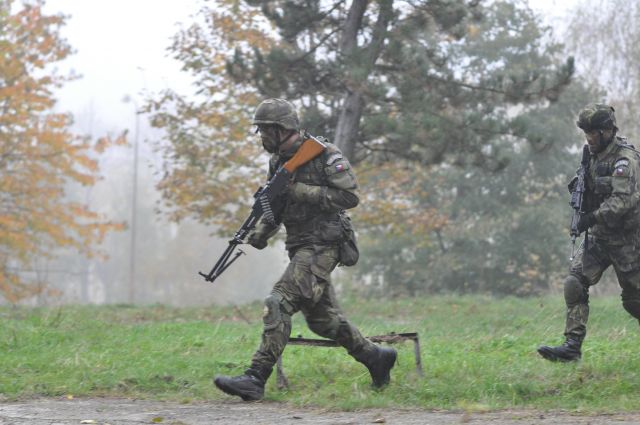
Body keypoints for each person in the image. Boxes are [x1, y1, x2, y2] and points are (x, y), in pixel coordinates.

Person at [214, 98, 397, 400]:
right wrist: (260, 233)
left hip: (325, 243)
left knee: (278, 301)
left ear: (282, 129)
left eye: (265, 130)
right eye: (260, 130)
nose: (262, 136)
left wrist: (299, 190)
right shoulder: (278, 162)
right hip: (300, 245)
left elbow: (349, 197)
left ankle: (255, 377)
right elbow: (277, 205)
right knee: (323, 321)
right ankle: (376, 357)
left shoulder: (325, 155)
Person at [538, 103, 640, 362]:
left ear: (607, 131)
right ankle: (572, 347)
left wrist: (591, 217)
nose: (589, 138)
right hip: (600, 237)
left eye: (593, 133)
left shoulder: (624, 160)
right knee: (575, 282)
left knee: (634, 301)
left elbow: (622, 201)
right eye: (586, 133)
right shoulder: (591, 157)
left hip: (629, 240)